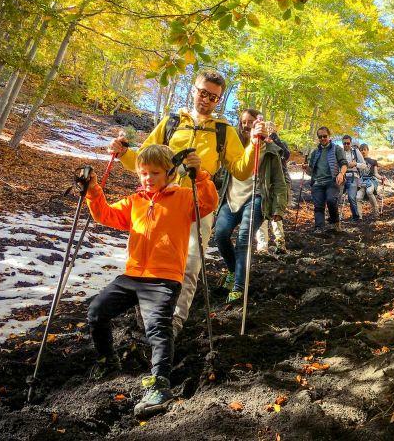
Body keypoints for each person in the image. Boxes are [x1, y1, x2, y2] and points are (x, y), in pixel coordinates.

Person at [109, 70, 266, 337]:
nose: (206, 100)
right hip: (160, 202)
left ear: (219, 101)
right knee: (146, 260)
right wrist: (123, 153)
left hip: (198, 204)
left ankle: (173, 324)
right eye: (203, 92)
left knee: (191, 263)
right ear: (194, 90)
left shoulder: (223, 131)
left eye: (213, 97)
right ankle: (146, 317)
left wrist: (253, 143)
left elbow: (241, 169)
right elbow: (144, 159)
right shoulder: (171, 122)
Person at [85, 144, 217, 418]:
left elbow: (208, 203)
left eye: (154, 173)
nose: (148, 178)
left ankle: (160, 384)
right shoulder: (135, 201)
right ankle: (107, 358)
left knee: (157, 328)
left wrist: (199, 174)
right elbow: (104, 214)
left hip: (164, 279)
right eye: (143, 173)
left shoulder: (183, 197)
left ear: (169, 173)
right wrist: (92, 190)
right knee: (97, 311)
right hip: (132, 275)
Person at [213, 109, 288, 304]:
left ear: (259, 124)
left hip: (256, 197)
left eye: (251, 122)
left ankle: (239, 286)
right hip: (230, 198)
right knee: (220, 235)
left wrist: (279, 208)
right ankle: (232, 270)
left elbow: (279, 182)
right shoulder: (232, 145)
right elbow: (219, 172)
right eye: (243, 122)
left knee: (243, 239)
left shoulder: (271, 150)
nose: (246, 125)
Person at [256, 121, 290, 253]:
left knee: (276, 213)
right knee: (262, 213)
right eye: (267, 127)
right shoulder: (259, 143)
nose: (269, 129)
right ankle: (262, 246)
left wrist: (274, 137)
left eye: (272, 127)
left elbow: (286, 154)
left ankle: (280, 242)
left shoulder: (280, 143)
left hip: (278, 180)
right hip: (263, 183)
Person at [306, 127, 348, 233]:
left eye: (325, 136)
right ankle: (319, 228)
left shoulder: (337, 149)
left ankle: (335, 223)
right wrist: (306, 168)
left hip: (332, 181)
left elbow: (344, 163)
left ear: (329, 136)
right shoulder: (315, 152)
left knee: (331, 200)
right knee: (318, 205)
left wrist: (341, 174)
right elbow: (310, 171)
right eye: (320, 137)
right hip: (317, 182)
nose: (323, 138)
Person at [341, 135, 367, 221]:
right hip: (342, 176)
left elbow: (364, 165)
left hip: (353, 177)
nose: (346, 145)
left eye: (348, 143)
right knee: (335, 196)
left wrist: (355, 164)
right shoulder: (340, 152)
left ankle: (356, 217)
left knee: (351, 197)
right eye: (344, 143)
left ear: (351, 143)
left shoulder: (356, 151)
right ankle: (334, 217)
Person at [357, 143, 384, 219]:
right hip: (361, 181)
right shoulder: (357, 162)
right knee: (358, 197)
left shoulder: (373, 161)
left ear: (368, 150)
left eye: (364, 149)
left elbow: (376, 173)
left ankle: (376, 213)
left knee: (369, 191)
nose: (363, 151)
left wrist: (381, 178)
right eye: (361, 150)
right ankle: (359, 217)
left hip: (371, 180)